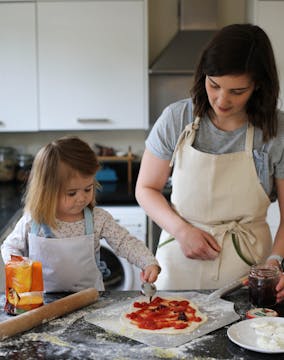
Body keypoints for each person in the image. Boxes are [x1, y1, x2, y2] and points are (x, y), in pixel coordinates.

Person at [135, 23, 284, 302]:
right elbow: (145, 188)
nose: (221, 99)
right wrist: (182, 230)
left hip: (247, 270)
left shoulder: (277, 132)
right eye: (213, 84)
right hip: (178, 260)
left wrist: (275, 262)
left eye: (237, 91)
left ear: (258, 85)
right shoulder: (176, 118)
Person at [1, 136, 160, 292]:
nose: (82, 197)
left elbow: (125, 242)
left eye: (87, 189)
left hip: (90, 301)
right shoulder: (34, 220)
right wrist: (20, 268)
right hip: (44, 304)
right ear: (47, 191)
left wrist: (147, 262)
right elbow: (9, 247)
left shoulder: (98, 219)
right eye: (72, 193)